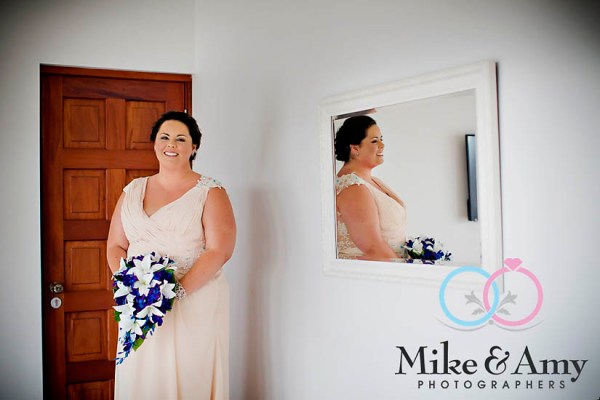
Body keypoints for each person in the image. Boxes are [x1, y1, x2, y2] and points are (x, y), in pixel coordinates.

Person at [107, 110, 236, 399]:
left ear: (194, 147)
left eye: (181, 139)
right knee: (143, 374)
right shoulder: (132, 190)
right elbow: (115, 244)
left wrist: (174, 292)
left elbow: (220, 250)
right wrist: (132, 286)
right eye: (164, 137)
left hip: (193, 300)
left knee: (189, 375)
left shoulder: (210, 191)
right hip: (141, 304)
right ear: (155, 143)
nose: (171, 144)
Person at [334, 115, 406, 261]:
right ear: (355, 148)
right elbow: (373, 248)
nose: (382, 145)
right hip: (373, 271)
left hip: (390, 265)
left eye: (381, 139)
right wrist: (406, 271)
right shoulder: (352, 187)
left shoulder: (373, 182)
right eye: (374, 141)